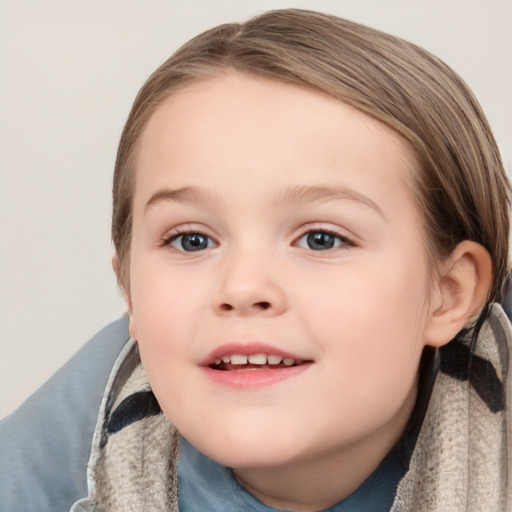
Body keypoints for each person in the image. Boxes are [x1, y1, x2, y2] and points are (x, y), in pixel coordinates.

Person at [1, 8, 511, 512]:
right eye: (192, 241)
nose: (243, 287)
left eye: (321, 240)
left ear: (448, 294)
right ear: (130, 291)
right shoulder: (86, 430)